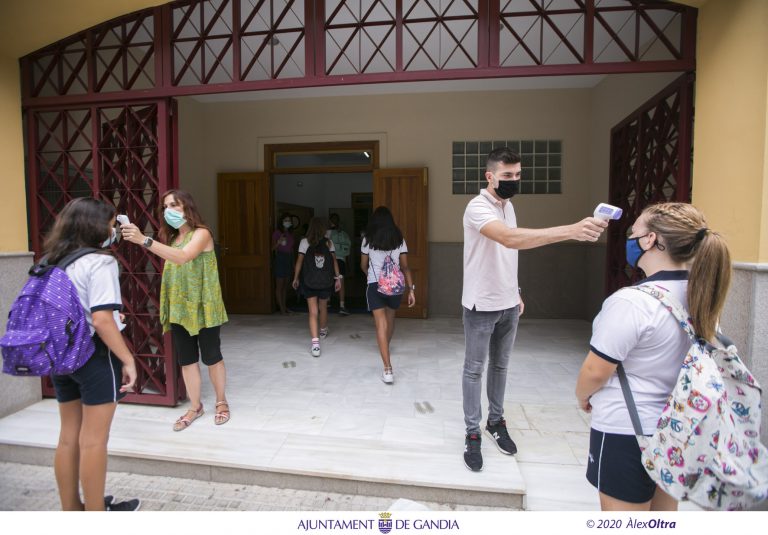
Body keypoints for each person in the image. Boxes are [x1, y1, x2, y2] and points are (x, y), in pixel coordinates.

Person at [575, 202, 731, 511]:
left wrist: (582, 396)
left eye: (634, 233)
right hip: (677, 427)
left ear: (650, 240)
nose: (630, 239)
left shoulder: (632, 303)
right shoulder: (701, 297)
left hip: (626, 432)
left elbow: (596, 370)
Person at [461, 147, 607, 472]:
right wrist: (571, 230)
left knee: (500, 367)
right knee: (474, 370)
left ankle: (495, 422)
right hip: (480, 304)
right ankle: (472, 433)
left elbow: (509, 254)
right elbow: (509, 240)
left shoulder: (508, 206)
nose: (513, 181)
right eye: (507, 176)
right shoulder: (477, 207)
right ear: (490, 176)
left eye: (517, 175)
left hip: (509, 303)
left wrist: (516, 292)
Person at [46, 198, 139, 511]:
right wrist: (128, 359)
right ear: (98, 226)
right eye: (113, 224)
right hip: (93, 356)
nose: (115, 230)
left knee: (68, 437)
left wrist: (111, 319)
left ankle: (72, 510)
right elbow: (100, 319)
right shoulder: (100, 262)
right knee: (94, 440)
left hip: (61, 354)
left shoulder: (53, 260)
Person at [121, 189, 230, 431]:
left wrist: (144, 240)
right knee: (187, 360)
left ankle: (221, 402)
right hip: (179, 308)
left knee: (212, 357)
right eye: (165, 207)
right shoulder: (171, 239)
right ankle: (195, 407)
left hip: (204, 306)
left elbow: (183, 258)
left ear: (187, 207)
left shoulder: (202, 234)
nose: (169, 210)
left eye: (175, 205)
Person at [360, 206, 415, 384]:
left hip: (375, 285)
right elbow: (405, 266)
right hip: (395, 285)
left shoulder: (367, 240)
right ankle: (386, 347)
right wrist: (411, 288)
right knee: (390, 320)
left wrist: (371, 277)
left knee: (380, 325)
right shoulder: (399, 239)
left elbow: (363, 265)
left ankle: (387, 368)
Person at [292, 217, 341, 357]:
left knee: (312, 311)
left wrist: (295, 278)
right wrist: (338, 278)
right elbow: (334, 261)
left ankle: (315, 344)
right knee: (323, 307)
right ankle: (323, 330)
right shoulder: (329, 242)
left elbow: (299, 262)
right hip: (325, 281)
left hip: (308, 281)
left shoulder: (304, 242)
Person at [327, 213, 352, 315]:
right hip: (329, 260)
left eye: (336, 219)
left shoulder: (343, 234)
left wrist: (348, 264)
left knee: (340, 282)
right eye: (333, 220)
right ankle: (327, 302)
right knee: (328, 281)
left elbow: (347, 251)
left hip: (340, 260)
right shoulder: (327, 233)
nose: (334, 222)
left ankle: (341, 305)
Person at [272, 214, 296, 315]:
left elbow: (291, 249)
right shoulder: (277, 233)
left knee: (286, 285)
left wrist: (294, 263)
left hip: (289, 258)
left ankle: (284, 306)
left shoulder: (290, 233)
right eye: (286, 220)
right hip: (280, 258)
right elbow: (272, 248)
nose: (288, 222)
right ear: (281, 221)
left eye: (289, 220)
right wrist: (278, 241)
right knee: (279, 285)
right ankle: (281, 309)